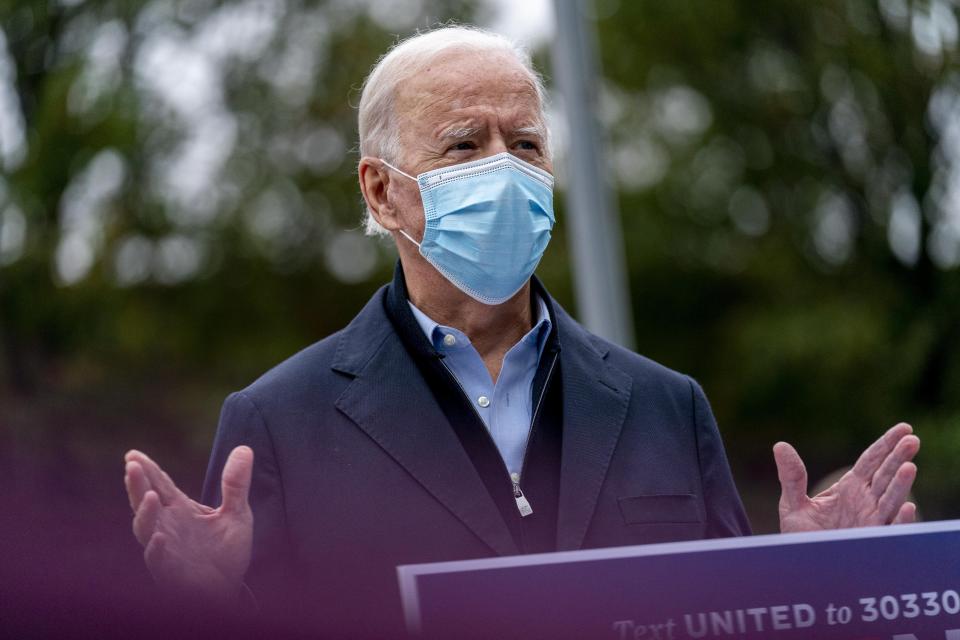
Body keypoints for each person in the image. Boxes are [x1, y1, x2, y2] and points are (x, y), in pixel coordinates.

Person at [122, 26, 920, 637]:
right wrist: (208, 606)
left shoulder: (666, 406)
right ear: (381, 193)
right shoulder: (278, 426)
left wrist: (817, 582)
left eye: (527, 143)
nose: (505, 169)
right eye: (465, 145)